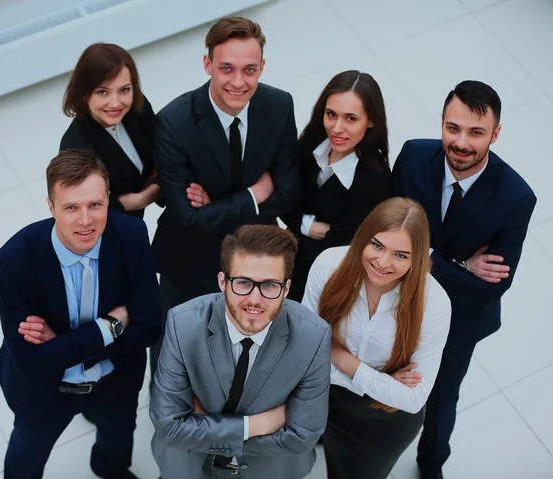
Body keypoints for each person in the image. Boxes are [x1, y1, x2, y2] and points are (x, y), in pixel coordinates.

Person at [393, 80, 537, 479]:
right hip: (395, 295)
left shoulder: (516, 197)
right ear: (441, 121)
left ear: (496, 133)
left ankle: (431, 463)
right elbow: (386, 230)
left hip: (461, 319)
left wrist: (420, 257)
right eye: (453, 128)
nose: (461, 143)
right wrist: (456, 262)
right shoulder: (412, 155)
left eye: (476, 133)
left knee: (442, 397)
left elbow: (490, 289)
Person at [0, 150, 161, 479]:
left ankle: (108, 469)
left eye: (95, 205)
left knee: (117, 441)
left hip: (115, 380)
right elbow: (29, 361)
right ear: (51, 206)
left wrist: (61, 345)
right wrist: (109, 327)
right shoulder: (14, 259)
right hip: (45, 391)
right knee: (25, 457)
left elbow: (150, 328)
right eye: (71, 207)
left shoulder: (131, 236)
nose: (85, 220)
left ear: (107, 199)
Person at [150, 16, 301, 356]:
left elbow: (290, 193)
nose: (238, 81)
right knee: (173, 353)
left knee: (247, 352)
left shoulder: (279, 106)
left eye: (249, 70)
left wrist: (215, 205)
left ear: (262, 67)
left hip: (257, 258)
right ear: (208, 65)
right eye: (226, 68)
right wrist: (255, 194)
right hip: (189, 262)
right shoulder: (173, 123)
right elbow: (188, 222)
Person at [150, 225, 331, 479]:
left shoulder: (314, 336)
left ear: (287, 289)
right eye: (243, 282)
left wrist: (201, 430)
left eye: (269, 285)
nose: (255, 300)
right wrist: (255, 426)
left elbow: (302, 437)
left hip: (270, 471)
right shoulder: (183, 323)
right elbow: (169, 426)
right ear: (222, 282)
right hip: (189, 468)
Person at [302, 197, 451, 479]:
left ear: (417, 258)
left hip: (382, 418)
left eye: (401, 255)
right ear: (363, 237)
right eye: (377, 245)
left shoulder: (434, 304)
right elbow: (305, 351)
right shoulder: (329, 264)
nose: (382, 263)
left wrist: (341, 357)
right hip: (321, 395)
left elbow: (412, 399)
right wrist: (383, 380)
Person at [281, 70, 393, 301]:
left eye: (351, 118)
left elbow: (341, 246)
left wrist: (297, 221)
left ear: (371, 120)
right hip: (286, 257)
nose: (337, 128)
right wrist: (311, 227)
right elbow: (282, 200)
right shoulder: (312, 142)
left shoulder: (376, 181)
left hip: (323, 278)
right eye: (331, 114)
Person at [61, 43, 160, 219]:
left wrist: (145, 197)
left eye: (124, 90)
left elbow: (168, 153)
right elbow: (97, 213)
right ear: (84, 94)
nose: (115, 103)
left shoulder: (138, 107)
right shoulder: (75, 149)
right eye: (102, 92)